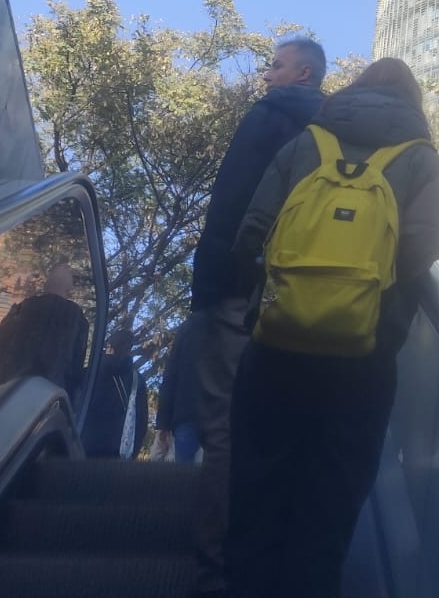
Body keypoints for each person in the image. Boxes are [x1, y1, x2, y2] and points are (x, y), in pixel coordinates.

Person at [224, 56, 439, 598]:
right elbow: (423, 247)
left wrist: (277, 292)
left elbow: (252, 230)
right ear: (412, 101)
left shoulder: (308, 142)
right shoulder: (420, 158)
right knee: (331, 505)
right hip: (363, 360)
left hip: (276, 346)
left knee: (256, 490)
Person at [190, 36, 327, 593]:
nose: (266, 76)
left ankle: (216, 566)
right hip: (305, 303)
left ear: (303, 74)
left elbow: (231, 202)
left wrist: (209, 284)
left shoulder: (268, 115)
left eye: (275, 66)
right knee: (286, 430)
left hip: (240, 292)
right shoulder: (334, 133)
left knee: (224, 424)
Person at [0, 261, 89, 405]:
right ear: (70, 290)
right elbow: (72, 375)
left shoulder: (19, 312)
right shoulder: (73, 319)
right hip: (38, 408)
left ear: (45, 284)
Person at [82, 326, 149, 458]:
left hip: (83, 444)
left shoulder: (91, 372)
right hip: (117, 451)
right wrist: (132, 453)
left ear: (109, 346)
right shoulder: (137, 380)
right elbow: (141, 421)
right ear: (129, 350)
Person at [155, 312, 206, 463]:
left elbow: (171, 376)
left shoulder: (188, 328)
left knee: (182, 471)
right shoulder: (238, 323)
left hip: (188, 413)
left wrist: (164, 423)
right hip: (221, 416)